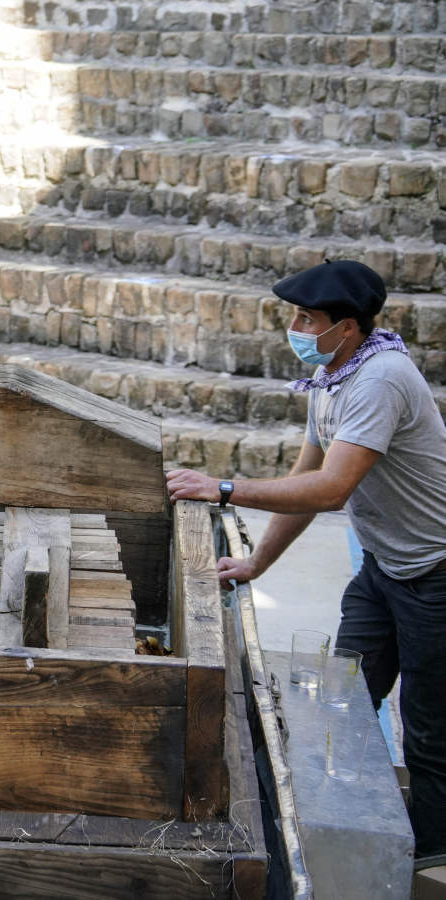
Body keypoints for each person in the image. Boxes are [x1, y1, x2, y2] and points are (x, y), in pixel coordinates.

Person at [165, 260, 446, 859]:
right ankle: (336, 830)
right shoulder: (335, 378)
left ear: (346, 327)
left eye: (305, 319)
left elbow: (331, 490)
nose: (294, 328)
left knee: (428, 735)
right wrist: (257, 564)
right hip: (384, 570)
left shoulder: (379, 381)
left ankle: (426, 862)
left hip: (435, 577)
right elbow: (305, 480)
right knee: (341, 700)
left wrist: (223, 487)